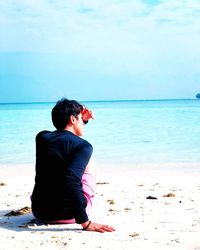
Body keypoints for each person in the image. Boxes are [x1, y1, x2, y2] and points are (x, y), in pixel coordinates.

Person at [31, 98, 115, 233]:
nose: (83, 121)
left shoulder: (41, 138)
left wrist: (83, 118)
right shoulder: (83, 146)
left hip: (40, 212)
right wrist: (85, 223)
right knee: (89, 161)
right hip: (69, 216)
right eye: (81, 118)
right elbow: (71, 181)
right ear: (73, 119)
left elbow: (64, 139)